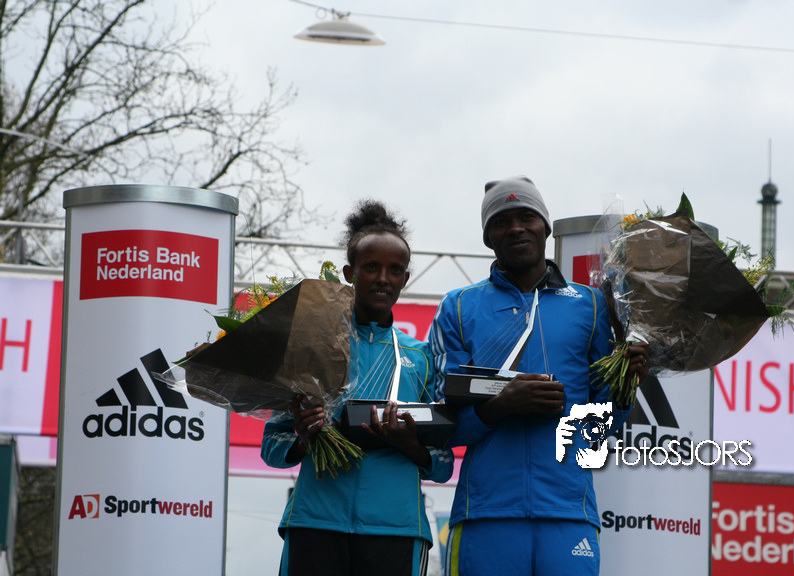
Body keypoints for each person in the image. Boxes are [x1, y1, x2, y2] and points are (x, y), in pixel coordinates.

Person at [429, 176, 649, 576]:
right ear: (487, 237)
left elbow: (600, 428)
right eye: (501, 221)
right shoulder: (458, 307)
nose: (516, 228)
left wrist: (625, 386)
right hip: (486, 514)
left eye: (526, 217)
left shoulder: (592, 305)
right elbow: (444, 427)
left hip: (568, 513)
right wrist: (501, 407)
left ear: (545, 226)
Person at [261, 200, 454, 576]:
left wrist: (409, 444)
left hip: (396, 527)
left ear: (405, 279)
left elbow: (443, 461)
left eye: (394, 270)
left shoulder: (421, 356)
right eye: (371, 267)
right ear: (350, 273)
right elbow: (272, 445)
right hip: (316, 521)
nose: (383, 278)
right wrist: (305, 436)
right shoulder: (312, 344)